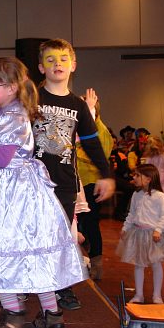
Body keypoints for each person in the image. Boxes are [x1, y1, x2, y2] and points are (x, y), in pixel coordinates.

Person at [0, 57, 86, 328]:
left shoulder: (13, 116)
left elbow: (1, 156)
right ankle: (52, 316)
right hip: (15, 189)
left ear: (11, 87)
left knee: (4, 249)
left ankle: (15, 315)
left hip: (16, 193)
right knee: (30, 252)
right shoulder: (0, 113)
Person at [32, 38, 114, 310]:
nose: (57, 64)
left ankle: (61, 286)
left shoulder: (77, 105)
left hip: (65, 183)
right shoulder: (32, 99)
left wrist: (106, 174)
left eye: (63, 59)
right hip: (33, 182)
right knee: (34, 233)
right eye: (51, 59)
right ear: (41, 67)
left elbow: (91, 142)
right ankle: (28, 283)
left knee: (62, 237)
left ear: (73, 65)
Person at [116, 164, 164, 304]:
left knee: (156, 264)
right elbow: (132, 214)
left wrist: (158, 230)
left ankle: (157, 295)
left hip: (154, 236)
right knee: (138, 264)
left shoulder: (159, 196)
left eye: (137, 175)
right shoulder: (136, 195)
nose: (134, 177)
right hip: (138, 234)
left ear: (148, 179)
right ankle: (139, 295)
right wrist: (125, 228)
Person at [76, 89, 114, 280]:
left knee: (91, 224)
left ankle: (96, 264)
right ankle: (81, 261)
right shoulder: (79, 128)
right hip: (77, 182)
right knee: (79, 224)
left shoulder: (101, 130)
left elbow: (99, 155)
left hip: (91, 182)